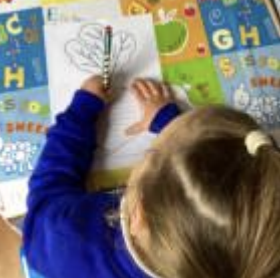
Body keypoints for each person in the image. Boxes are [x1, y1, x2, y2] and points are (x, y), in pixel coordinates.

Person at [23, 75, 280, 278]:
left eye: (150, 154)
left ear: (138, 217)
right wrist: (171, 125)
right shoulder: (244, 264)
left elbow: (49, 184)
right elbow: (212, 189)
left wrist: (82, 110)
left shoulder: (62, 233)